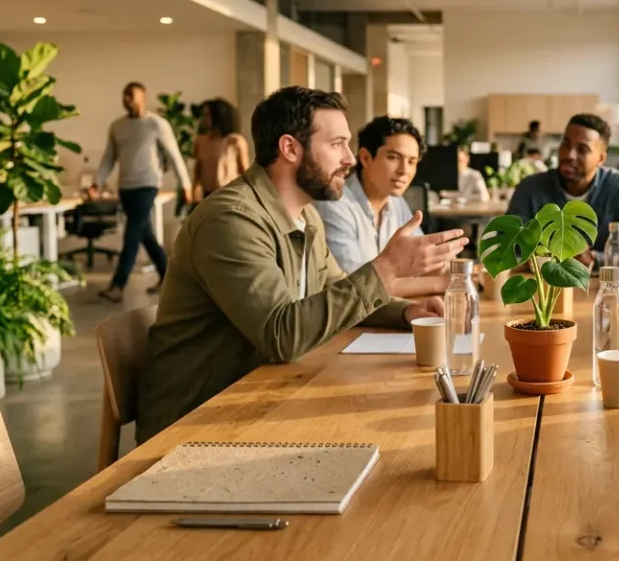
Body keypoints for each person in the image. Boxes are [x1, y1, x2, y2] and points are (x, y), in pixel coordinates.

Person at [136, 86, 468, 444]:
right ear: (290, 148)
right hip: (195, 426)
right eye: (336, 144)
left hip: (260, 400)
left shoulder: (306, 215)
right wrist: (387, 268)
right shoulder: (231, 220)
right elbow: (282, 336)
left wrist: (407, 312)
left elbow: (337, 289)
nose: (350, 159)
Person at [315, 116, 447, 298]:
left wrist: (453, 270)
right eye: (393, 157)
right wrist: (440, 283)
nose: (404, 171)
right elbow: (358, 286)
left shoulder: (396, 202)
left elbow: (424, 260)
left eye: (412, 161)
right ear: (365, 158)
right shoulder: (334, 204)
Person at [506, 113, 619, 269]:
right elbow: (507, 248)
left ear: (601, 158)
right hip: (544, 289)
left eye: (582, 150)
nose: (569, 155)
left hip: (602, 288)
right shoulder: (530, 188)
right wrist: (552, 256)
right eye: (566, 144)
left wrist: (595, 259)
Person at [92, 81, 193, 302]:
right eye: (124, 95)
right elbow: (109, 157)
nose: (126, 99)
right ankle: (170, 278)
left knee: (132, 234)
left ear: (142, 97)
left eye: (130, 95)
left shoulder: (157, 124)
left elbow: (174, 155)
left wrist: (185, 184)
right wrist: (97, 182)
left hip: (147, 185)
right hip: (125, 186)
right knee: (145, 235)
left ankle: (118, 286)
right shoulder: (117, 126)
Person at [191, 98, 250, 201]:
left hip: (230, 194)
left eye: (207, 115)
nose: (204, 119)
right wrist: (194, 189)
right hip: (208, 194)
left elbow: (245, 170)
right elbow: (198, 168)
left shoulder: (235, 141)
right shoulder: (201, 141)